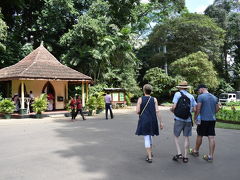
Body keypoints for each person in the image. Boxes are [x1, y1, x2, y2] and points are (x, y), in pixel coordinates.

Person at [189, 84, 220, 162]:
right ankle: (210, 156)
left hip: (203, 119)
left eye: (199, 90)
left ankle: (195, 151)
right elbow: (217, 108)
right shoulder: (214, 97)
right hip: (212, 119)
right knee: (211, 137)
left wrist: (195, 118)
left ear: (202, 89)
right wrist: (212, 113)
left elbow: (198, 109)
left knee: (200, 135)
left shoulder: (201, 97)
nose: (198, 92)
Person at [135, 84, 163, 163]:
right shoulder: (154, 99)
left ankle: (149, 157)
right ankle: (150, 152)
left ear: (144, 91)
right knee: (150, 136)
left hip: (144, 120)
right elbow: (157, 111)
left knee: (147, 137)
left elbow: (137, 111)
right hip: (153, 120)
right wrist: (161, 122)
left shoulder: (140, 99)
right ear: (151, 91)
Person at [170, 81, 196, 163]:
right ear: (186, 88)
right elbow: (194, 109)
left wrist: (171, 110)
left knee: (176, 136)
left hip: (178, 119)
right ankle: (185, 157)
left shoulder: (177, 94)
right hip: (188, 119)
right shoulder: (191, 96)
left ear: (180, 87)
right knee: (186, 137)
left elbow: (174, 107)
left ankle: (179, 153)